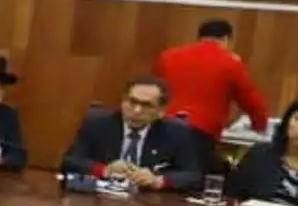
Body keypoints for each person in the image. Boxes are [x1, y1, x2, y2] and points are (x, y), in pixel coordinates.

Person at [155, 18, 269, 172]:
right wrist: (260, 126)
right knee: (191, 177)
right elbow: (250, 100)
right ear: (226, 39)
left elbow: (155, 90)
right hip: (201, 132)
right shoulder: (230, 62)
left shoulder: (167, 56)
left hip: (164, 126)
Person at [61, 76, 202, 193]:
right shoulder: (97, 123)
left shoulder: (176, 132)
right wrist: (105, 170)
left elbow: (193, 176)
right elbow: (70, 161)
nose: (136, 111)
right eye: (132, 102)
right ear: (123, 102)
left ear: (161, 111)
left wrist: (158, 180)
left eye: (146, 105)